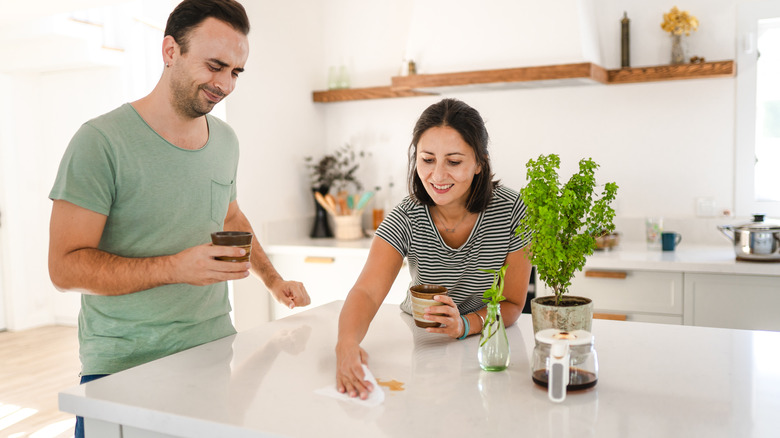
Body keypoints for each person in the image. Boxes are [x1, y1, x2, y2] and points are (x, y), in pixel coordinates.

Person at [47, 1, 310, 435]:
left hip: (213, 353)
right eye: (215, 66)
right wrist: (175, 267)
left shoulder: (225, 141)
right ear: (170, 50)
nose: (225, 84)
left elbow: (230, 213)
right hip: (123, 371)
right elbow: (63, 267)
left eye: (236, 72)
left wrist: (272, 279)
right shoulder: (101, 142)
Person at [335, 98, 533, 399]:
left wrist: (464, 325)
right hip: (422, 338)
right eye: (427, 160)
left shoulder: (512, 211)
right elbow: (367, 291)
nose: (438, 176)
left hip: (485, 338)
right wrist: (346, 346)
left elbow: (513, 303)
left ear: (480, 162)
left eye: (454, 162)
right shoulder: (406, 216)